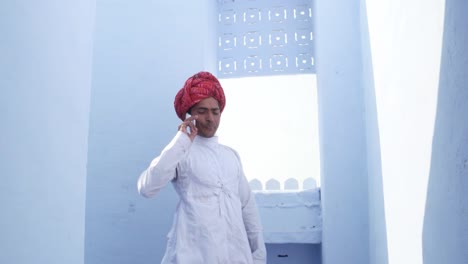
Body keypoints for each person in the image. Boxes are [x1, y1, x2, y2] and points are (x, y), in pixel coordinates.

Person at [137, 71, 267, 264]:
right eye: (202, 111)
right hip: (191, 255)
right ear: (190, 114)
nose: (210, 118)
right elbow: (147, 188)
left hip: (237, 257)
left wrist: (258, 255)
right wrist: (181, 141)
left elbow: (247, 207)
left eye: (215, 112)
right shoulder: (181, 152)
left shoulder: (230, 155)